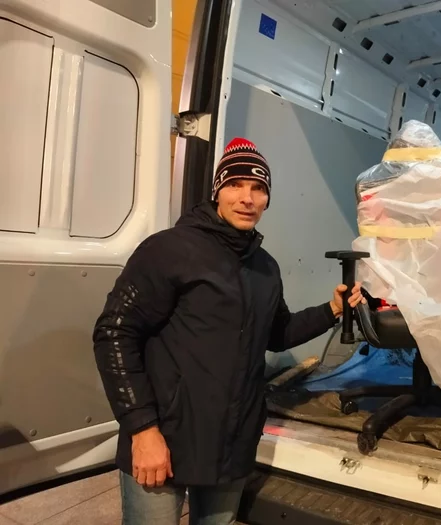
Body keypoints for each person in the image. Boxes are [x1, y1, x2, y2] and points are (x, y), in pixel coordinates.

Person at [93, 137, 365, 525]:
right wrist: (142, 429)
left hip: (231, 444)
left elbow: (277, 334)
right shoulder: (169, 250)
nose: (246, 198)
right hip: (166, 436)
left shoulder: (265, 268)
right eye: (235, 185)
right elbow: (114, 334)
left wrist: (332, 310)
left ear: (267, 199)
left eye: (258, 188)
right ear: (217, 191)